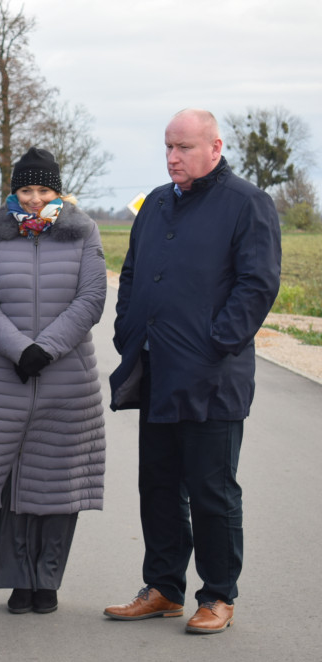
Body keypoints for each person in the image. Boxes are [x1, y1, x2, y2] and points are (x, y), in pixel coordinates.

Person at [104, 109, 281, 634]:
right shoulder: (157, 203)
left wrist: (217, 342)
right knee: (156, 484)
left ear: (215, 147)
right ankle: (163, 587)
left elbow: (258, 284)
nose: (173, 157)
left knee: (211, 489)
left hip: (213, 375)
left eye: (183, 147)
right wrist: (127, 329)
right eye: (168, 147)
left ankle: (218, 595)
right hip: (156, 366)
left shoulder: (248, 204)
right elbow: (132, 273)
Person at [0, 147, 107, 615]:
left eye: (43, 189)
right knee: (10, 482)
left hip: (69, 378)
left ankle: (47, 580)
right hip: (10, 375)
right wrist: (19, 348)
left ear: (58, 190)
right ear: (14, 190)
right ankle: (16, 580)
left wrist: (45, 348)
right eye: (26, 189)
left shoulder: (83, 231)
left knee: (57, 483)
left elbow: (91, 298)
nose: (33, 198)